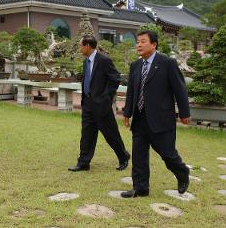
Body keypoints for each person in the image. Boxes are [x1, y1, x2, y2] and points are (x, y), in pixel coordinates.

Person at [121, 30, 190, 198]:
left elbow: (180, 89)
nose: (138, 45)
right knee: (138, 156)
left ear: (154, 44)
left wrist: (184, 112)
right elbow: (132, 92)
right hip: (140, 118)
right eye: (137, 42)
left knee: (167, 153)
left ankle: (182, 172)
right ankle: (140, 188)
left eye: (143, 41)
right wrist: (127, 112)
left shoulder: (167, 63)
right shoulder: (135, 66)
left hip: (161, 118)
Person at [68, 35, 130, 172]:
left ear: (88, 46)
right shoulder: (86, 62)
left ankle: (123, 157)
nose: (80, 48)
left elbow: (115, 78)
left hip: (101, 104)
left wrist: (106, 97)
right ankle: (83, 163)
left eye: (81, 45)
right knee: (87, 134)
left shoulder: (104, 60)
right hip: (88, 103)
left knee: (110, 133)